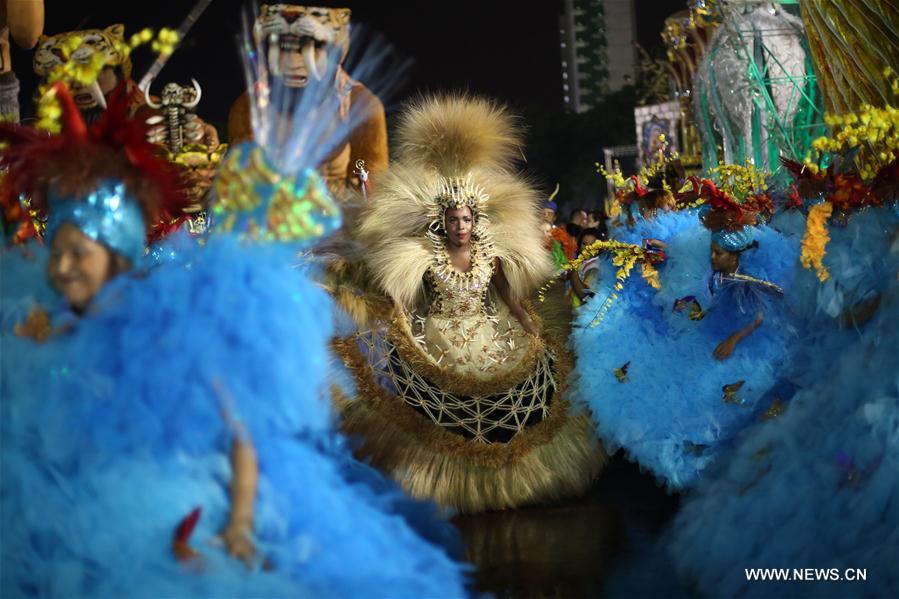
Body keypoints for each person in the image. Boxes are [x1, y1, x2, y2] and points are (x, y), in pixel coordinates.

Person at [0, 55, 467, 599]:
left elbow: (239, 430)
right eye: (57, 255)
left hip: (175, 506)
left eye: (79, 253)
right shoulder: (38, 333)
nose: (62, 269)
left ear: (116, 255)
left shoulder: (169, 327)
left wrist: (240, 521)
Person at [327, 94, 605, 514]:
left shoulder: (491, 255)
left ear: (476, 222)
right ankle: (447, 480)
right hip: (439, 333)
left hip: (492, 330)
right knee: (445, 412)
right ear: (444, 222)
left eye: (467, 220)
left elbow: (509, 297)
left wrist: (532, 328)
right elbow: (404, 298)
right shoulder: (423, 255)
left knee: (513, 401)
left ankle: (499, 480)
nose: (461, 227)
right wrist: (398, 327)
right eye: (454, 220)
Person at [228, 4, 387, 195]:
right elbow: (239, 180)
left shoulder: (360, 104)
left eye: (312, 47)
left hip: (337, 211)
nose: (293, 63)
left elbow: (372, 187)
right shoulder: (248, 105)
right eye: (283, 47)